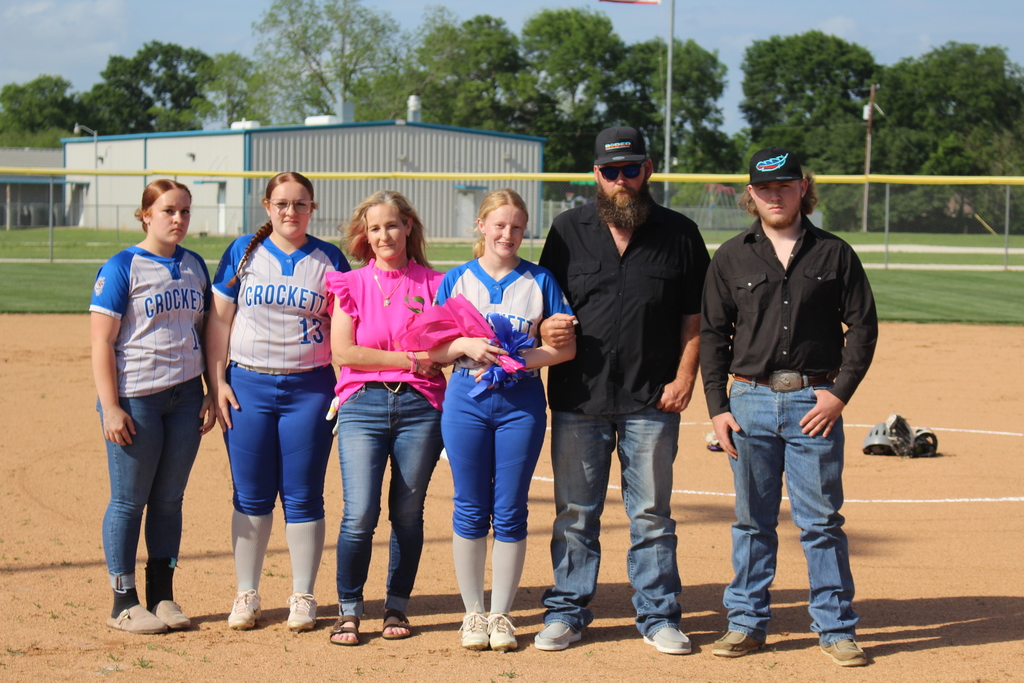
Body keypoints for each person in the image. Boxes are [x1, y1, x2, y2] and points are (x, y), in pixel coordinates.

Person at [535, 126, 710, 654]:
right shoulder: (567, 230)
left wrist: (684, 378)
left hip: (651, 397)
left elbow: (697, 319)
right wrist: (544, 330)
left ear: (648, 169)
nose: (620, 181)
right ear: (595, 175)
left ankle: (658, 615)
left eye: (629, 169)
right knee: (574, 513)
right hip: (578, 398)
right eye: (609, 172)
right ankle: (567, 610)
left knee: (652, 513)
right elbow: (541, 305)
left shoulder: (680, 233)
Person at [700, 148, 877, 667]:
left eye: (785, 185)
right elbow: (713, 336)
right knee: (752, 521)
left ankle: (835, 628)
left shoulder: (835, 253)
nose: (774, 195)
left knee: (821, 522)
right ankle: (746, 624)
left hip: (812, 402)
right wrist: (717, 407)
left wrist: (838, 393)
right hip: (749, 401)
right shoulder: (731, 256)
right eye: (764, 187)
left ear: (803, 187)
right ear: (750, 195)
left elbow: (863, 327)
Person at [427, 189, 576, 652]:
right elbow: (431, 349)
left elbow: (566, 346)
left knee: (510, 508)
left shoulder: (540, 280)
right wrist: (466, 348)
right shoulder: (455, 280)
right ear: (481, 226)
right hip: (467, 398)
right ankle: (473, 613)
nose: (507, 234)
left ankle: (501, 614)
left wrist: (521, 357)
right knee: (470, 505)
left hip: (520, 403)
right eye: (499, 225)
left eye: (516, 227)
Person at [206, 172, 349, 633]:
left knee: (304, 495)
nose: (291, 212)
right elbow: (219, 322)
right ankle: (246, 591)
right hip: (247, 385)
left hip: (309, 388)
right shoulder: (242, 252)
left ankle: (303, 594)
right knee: (250, 494)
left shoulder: (330, 259)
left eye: (301, 204)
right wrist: (217, 381)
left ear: (313, 208)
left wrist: (344, 384)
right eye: (283, 203)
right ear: (267, 206)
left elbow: (347, 328)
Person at [90, 179, 215, 634]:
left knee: (168, 501)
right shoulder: (124, 265)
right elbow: (101, 342)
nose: (178, 219)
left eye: (184, 211)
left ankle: (162, 595)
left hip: (184, 398)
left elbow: (202, 334)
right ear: (146, 215)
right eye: (168, 211)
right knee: (129, 500)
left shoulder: (195, 265)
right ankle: (123, 601)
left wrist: (207, 389)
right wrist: (110, 406)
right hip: (137, 398)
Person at [325, 190, 445, 645]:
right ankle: (349, 610)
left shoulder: (435, 284)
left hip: (420, 409)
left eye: (391, 225)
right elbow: (344, 352)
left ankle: (397, 607)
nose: (383, 235)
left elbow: (444, 350)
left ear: (408, 227)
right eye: (374, 228)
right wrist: (411, 361)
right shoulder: (350, 284)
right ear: (364, 234)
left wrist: (420, 359)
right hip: (363, 406)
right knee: (359, 514)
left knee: (408, 513)